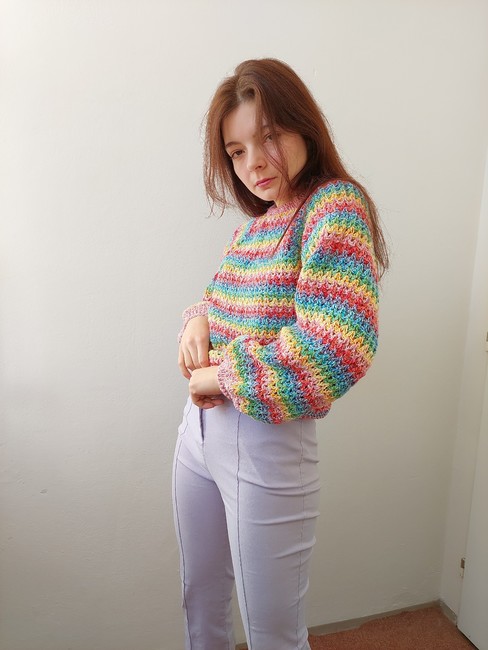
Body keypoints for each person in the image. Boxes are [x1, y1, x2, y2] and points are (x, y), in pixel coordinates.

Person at [173, 58, 388, 650]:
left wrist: (219, 375)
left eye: (268, 137)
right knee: (200, 601)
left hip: (266, 443)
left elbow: (335, 346)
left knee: (273, 633)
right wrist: (197, 319)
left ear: (303, 126)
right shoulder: (256, 227)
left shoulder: (334, 207)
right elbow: (224, 299)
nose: (254, 163)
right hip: (197, 437)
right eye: (237, 151)